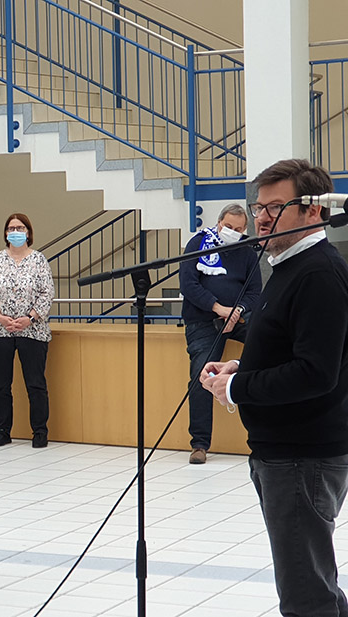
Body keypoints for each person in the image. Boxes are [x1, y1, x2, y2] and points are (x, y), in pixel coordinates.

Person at [201, 159, 348, 617]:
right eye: (259, 207)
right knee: (312, 585)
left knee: (306, 595)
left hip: (302, 454)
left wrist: (239, 388)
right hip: (284, 452)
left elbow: (315, 372)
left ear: (314, 210)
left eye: (275, 206)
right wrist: (240, 367)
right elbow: (290, 350)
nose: (262, 217)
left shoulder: (318, 273)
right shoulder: (287, 267)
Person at [180, 203, 261, 464]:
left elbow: (254, 291)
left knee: (269, 350)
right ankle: (200, 443)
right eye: (228, 227)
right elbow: (189, 285)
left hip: (239, 317)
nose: (233, 232)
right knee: (201, 375)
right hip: (203, 320)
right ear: (218, 223)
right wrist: (218, 308)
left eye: (239, 229)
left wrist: (236, 311)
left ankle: (262, 434)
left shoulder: (248, 252)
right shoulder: (197, 244)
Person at [0, 213, 55, 448]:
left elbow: (47, 293)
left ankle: (40, 431)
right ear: (5, 233)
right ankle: (2, 430)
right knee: (1, 384)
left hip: (33, 331)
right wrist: (0, 318)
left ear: (28, 232)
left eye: (20, 227)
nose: (16, 231)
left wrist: (29, 319)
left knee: (35, 383)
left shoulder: (39, 260)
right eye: (12, 227)